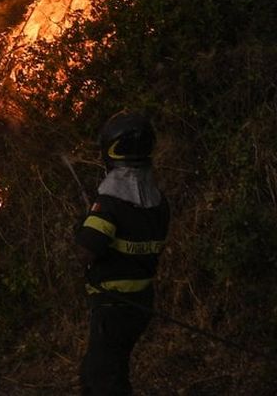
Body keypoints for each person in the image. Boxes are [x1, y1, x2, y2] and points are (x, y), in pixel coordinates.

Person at [74, 110, 171, 396]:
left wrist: (82, 226)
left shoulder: (110, 204)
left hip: (113, 306)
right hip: (141, 303)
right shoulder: (157, 202)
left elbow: (87, 250)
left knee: (105, 380)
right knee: (96, 372)